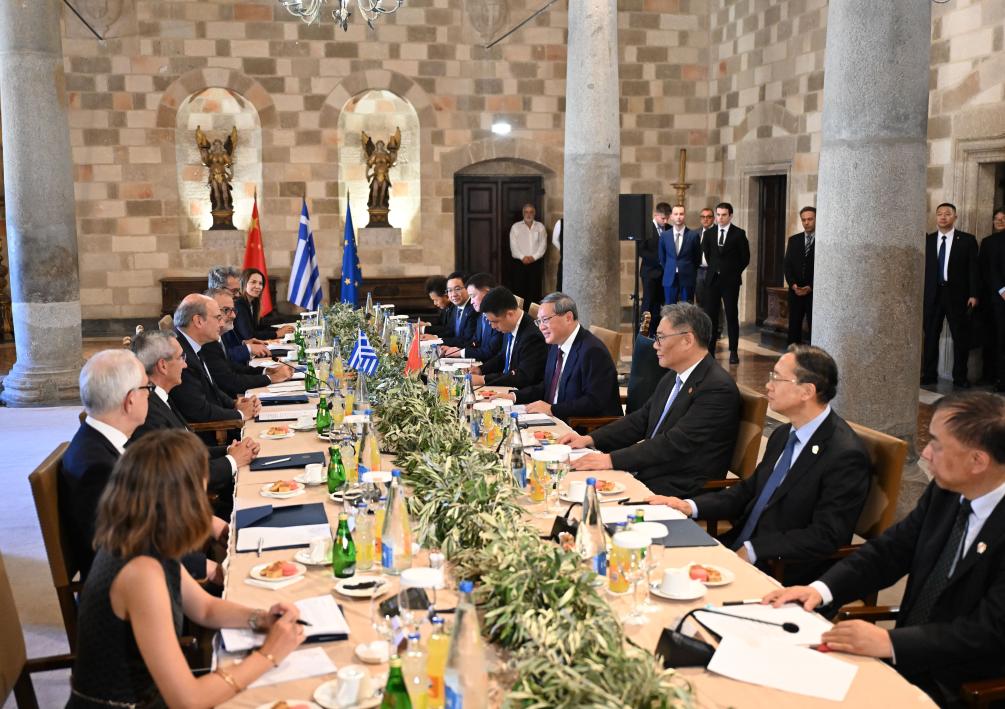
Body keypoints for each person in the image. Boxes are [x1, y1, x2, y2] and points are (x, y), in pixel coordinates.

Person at [764, 391, 1005, 707]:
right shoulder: (947, 491)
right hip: (904, 661)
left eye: (936, 444)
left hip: (961, 686)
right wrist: (820, 590)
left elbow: (987, 632)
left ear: (978, 461)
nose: (926, 454)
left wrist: (890, 642)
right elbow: (889, 551)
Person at [67, 430, 305, 709]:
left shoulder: (141, 537)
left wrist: (260, 618)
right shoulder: (140, 573)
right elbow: (188, 700)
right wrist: (268, 655)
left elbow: (205, 608)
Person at [648, 344, 871, 584]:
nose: (768, 385)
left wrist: (756, 550)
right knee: (654, 560)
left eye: (777, 378)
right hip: (739, 546)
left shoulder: (844, 454)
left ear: (807, 391)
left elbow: (825, 535)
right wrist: (688, 506)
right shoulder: (784, 434)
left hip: (784, 569)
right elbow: (748, 491)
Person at [559, 303, 740, 497]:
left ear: (687, 340)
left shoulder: (716, 388)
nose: (655, 345)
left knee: (583, 493)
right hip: (654, 471)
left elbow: (673, 443)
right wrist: (590, 438)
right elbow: (641, 419)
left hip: (680, 487)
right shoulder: (674, 375)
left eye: (661, 337)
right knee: (568, 481)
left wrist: (610, 460)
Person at [130, 330, 259, 519]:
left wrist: (230, 450)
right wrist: (232, 460)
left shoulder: (161, 397)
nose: (185, 364)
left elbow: (188, 451)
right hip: (192, 509)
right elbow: (178, 474)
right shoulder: (149, 412)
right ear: (163, 366)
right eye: (181, 358)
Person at [509, 292, 622, 422]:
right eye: (539, 321)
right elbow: (548, 386)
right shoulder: (556, 345)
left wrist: (552, 409)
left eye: (545, 320)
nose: (541, 327)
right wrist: (514, 396)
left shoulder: (593, 351)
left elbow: (594, 402)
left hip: (582, 427)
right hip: (554, 419)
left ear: (568, 318)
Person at [170, 294, 259, 429]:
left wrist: (234, 403)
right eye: (218, 318)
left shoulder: (192, 343)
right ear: (198, 321)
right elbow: (199, 411)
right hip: (211, 433)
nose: (222, 323)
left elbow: (212, 388)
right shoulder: (181, 356)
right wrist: (240, 414)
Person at [921, 202, 979, 388]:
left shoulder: (967, 240)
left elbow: (973, 270)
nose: (943, 217)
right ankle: (929, 374)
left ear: (955, 217)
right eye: (939, 214)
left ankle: (960, 378)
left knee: (960, 337)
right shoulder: (928, 240)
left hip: (958, 295)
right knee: (930, 336)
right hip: (933, 294)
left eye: (947, 213)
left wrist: (973, 294)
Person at [200, 288, 292, 398]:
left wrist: (266, 371)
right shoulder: (207, 341)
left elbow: (232, 367)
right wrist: (272, 378)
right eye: (226, 310)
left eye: (233, 310)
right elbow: (230, 381)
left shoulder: (217, 336)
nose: (233, 315)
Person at [469, 286, 547, 388]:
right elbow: (503, 356)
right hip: (506, 384)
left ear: (509, 314)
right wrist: (480, 369)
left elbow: (523, 377)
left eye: (494, 321)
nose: (493, 326)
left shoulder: (532, 337)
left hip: (518, 391)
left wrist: (483, 379)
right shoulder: (509, 325)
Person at [701, 201, 750, 365]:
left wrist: (732, 272)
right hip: (713, 280)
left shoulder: (739, 234)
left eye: (723, 215)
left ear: (730, 216)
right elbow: (707, 254)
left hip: (730, 281)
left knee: (731, 315)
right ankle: (710, 351)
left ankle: (733, 351)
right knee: (710, 316)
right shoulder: (709, 233)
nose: (720, 218)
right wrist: (716, 269)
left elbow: (745, 258)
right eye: (718, 215)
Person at [208, 265, 269, 360]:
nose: (238, 295)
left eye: (238, 290)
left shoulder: (227, 310)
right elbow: (219, 357)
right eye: (234, 291)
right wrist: (248, 349)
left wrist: (243, 343)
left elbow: (226, 346)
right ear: (218, 289)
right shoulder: (208, 317)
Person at [439, 272, 502, 361]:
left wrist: (461, 353)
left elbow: (491, 351)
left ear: (487, 292)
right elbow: (474, 342)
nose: (471, 302)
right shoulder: (481, 315)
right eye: (449, 290)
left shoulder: (499, 317)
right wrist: (456, 350)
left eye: (473, 296)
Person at [979, 208, 1005, 391]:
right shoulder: (988, 242)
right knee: (999, 339)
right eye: (996, 219)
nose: (999, 221)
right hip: (996, 299)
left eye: (1003, 218)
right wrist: (1001, 290)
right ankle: (999, 379)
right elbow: (986, 270)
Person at [783, 206, 817, 345]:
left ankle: (814, 356)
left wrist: (811, 287)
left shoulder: (823, 241)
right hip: (795, 293)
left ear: (816, 219)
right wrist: (793, 285)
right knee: (794, 329)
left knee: (815, 328)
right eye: (803, 220)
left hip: (814, 294)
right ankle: (793, 355)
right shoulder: (794, 240)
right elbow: (787, 266)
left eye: (810, 219)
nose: (806, 223)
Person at [234, 267, 293, 342]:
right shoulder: (239, 304)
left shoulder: (253, 303)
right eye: (253, 282)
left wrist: (279, 330)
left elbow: (259, 327)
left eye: (260, 283)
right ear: (243, 283)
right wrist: (276, 334)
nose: (258, 286)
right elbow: (249, 336)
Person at [658, 204, 702, 304]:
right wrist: (670, 267)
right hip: (670, 276)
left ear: (685, 216)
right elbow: (662, 257)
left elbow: (697, 258)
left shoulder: (693, 235)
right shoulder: (664, 236)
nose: (678, 217)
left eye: (681, 214)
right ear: (671, 216)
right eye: (676, 214)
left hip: (687, 276)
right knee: (669, 308)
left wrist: (688, 268)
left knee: (687, 308)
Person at [509, 203, 547, 305]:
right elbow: (513, 246)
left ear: (534, 213)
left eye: (531, 212)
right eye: (526, 212)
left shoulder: (540, 227)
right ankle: (519, 310)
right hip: (519, 263)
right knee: (519, 289)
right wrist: (523, 257)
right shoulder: (515, 227)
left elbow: (543, 245)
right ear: (523, 213)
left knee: (534, 289)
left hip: (535, 263)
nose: (528, 214)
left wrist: (533, 257)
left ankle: (533, 312)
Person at [640, 203, 669, 336]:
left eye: (667, 218)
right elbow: (641, 251)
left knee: (659, 305)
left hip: (664, 273)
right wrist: (659, 259)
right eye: (663, 218)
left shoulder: (669, 228)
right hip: (650, 272)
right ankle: (643, 335)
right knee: (648, 304)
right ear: (656, 215)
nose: (665, 221)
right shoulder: (646, 228)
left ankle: (655, 333)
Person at [439, 271, 478, 348]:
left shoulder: (474, 309)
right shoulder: (455, 307)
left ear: (468, 288)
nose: (453, 294)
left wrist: (438, 341)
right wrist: (434, 338)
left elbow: (466, 339)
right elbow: (450, 331)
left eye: (457, 289)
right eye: (450, 290)